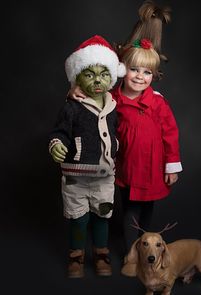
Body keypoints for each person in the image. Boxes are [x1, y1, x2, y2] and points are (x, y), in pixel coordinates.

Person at [69, 1, 182, 256]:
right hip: (126, 164)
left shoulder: (158, 102)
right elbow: (89, 99)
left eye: (147, 72)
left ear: (153, 75)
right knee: (129, 207)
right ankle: (134, 252)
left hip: (153, 166)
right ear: (122, 70)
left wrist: (171, 165)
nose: (140, 76)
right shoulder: (112, 99)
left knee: (148, 206)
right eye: (134, 70)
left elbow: (170, 134)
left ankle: (147, 244)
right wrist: (75, 88)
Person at [48, 35, 126, 278]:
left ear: (112, 77)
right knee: (79, 219)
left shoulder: (114, 105)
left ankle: (101, 254)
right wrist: (56, 144)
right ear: (77, 77)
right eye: (89, 74)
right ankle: (76, 257)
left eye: (104, 73)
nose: (97, 80)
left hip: (104, 177)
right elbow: (60, 131)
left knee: (102, 217)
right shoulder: (72, 105)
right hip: (75, 178)